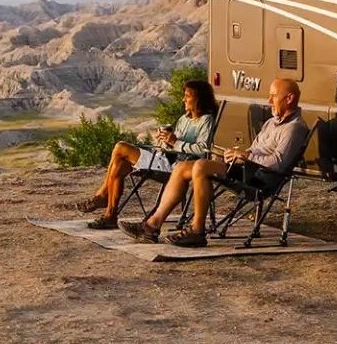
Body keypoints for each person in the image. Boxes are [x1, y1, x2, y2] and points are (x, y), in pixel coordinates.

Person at [122, 78, 310, 247]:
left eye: (273, 96)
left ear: (289, 98)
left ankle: (197, 230)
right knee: (181, 168)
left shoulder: (294, 128)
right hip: (245, 169)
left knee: (201, 166)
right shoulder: (271, 123)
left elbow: (277, 163)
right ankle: (151, 226)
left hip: (259, 179)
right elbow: (253, 150)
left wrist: (247, 157)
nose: (269, 101)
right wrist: (236, 154)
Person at [72, 79, 218, 229]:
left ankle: (103, 196)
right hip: (165, 158)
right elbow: (172, 146)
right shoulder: (183, 119)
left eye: (187, 96)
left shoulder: (206, 120)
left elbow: (202, 149)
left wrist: (175, 143)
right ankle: (110, 214)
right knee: (120, 164)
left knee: (120, 147)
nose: (183, 99)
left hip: (176, 166)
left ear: (198, 98)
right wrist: (163, 141)